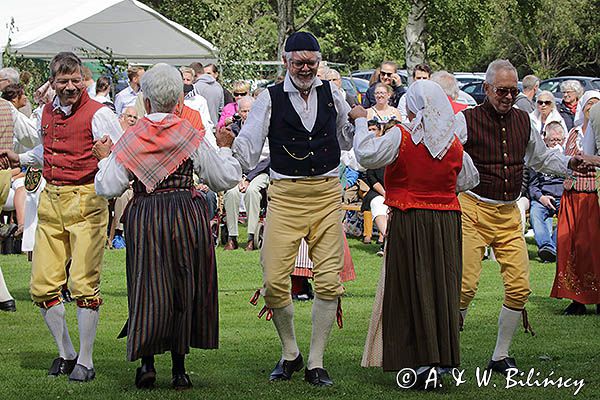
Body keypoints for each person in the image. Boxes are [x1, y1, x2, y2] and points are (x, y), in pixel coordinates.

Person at [94, 63, 241, 390]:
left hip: (146, 214)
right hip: (186, 215)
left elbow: (108, 187)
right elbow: (223, 179)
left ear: (145, 102)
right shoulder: (191, 135)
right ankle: (179, 370)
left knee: (147, 284)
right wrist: (226, 146)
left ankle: (147, 365)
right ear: (178, 102)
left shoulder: (132, 137)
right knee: (182, 285)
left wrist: (104, 157)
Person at [231, 31, 360, 387]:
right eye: (299, 62)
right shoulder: (269, 98)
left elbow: (347, 138)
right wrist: (227, 152)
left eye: (312, 63)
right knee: (274, 280)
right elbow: (250, 142)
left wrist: (360, 119)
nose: (305, 69)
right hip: (285, 196)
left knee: (330, 281)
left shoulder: (333, 93)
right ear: (285, 62)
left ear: (320, 63)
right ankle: (291, 352)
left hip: (325, 193)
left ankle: (316, 362)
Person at [458, 59, 594, 376]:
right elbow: (446, 153)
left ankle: (500, 356)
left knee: (520, 288)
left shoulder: (523, 120)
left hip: (508, 212)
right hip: (473, 208)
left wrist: (570, 164)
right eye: (502, 91)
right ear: (487, 89)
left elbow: (540, 158)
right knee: (464, 287)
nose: (508, 96)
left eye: (513, 90)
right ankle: (447, 352)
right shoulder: (465, 120)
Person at [0, 52, 123, 382]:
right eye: (63, 81)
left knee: (83, 282)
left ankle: (86, 359)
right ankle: (66, 352)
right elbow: (46, 148)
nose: (70, 87)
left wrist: (107, 162)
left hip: (87, 199)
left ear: (84, 79)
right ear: (52, 83)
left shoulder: (100, 114)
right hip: (52, 199)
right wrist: (20, 157)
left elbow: (119, 151)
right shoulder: (48, 112)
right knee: (42, 285)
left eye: (75, 80)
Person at [359, 80, 479, 389]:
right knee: (441, 288)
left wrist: (360, 120)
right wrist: (439, 189)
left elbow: (365, 155)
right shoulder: (452, 142)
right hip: (446, 222)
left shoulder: (403, 136)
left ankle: (414, 364)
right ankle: (436, 363)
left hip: (411, 219)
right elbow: (468, 179)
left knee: (409, 287)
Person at [551, 90, 600, 315]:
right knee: (568, 246)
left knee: (590, 247)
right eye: (589, 103)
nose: (592, 108)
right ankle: (576, 298)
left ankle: (597, 296)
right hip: (571, 195)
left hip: (592, 197)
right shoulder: (573, 132)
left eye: (596, 104)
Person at [222, 96, 270, 251]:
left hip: (260, 171)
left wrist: (249, 178)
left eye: (250, 110)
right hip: (238, 172)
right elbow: (229, 155)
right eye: (244, 111)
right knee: (231, 192)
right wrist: (238, 176)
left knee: (252, 191)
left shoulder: (267, 128)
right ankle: (232, 237)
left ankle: (251, 236)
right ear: (239, 112)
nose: (247, 114)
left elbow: (269, 158)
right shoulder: (233, 130)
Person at [528, 122, 566, 262]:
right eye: (552, 140)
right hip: (543, 197)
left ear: (563, 140)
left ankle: (551, 248)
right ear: (545, 140)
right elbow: (532, 186)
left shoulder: (567, 158)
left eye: (558, 140)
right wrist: (541, 197)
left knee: (567, 217)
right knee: (535, 213)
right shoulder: (538, 159)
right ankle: (546, 246)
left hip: (563, 197)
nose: (555, 143)